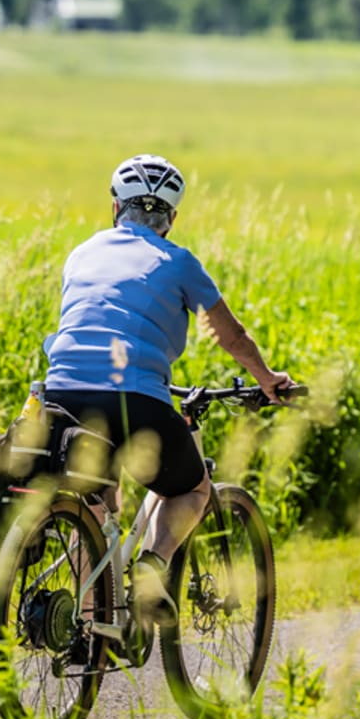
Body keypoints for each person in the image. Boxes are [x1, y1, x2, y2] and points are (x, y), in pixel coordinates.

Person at [42, 153, 294, 625]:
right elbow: (230, 335)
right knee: (192, 488)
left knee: (96, 503)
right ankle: (151, 570)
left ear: (115, 208)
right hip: (134, 397)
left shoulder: (82, 253)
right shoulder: (179, 262)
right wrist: (267, 379)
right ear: (171, 219)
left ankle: (91, 622)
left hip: (61, 395)